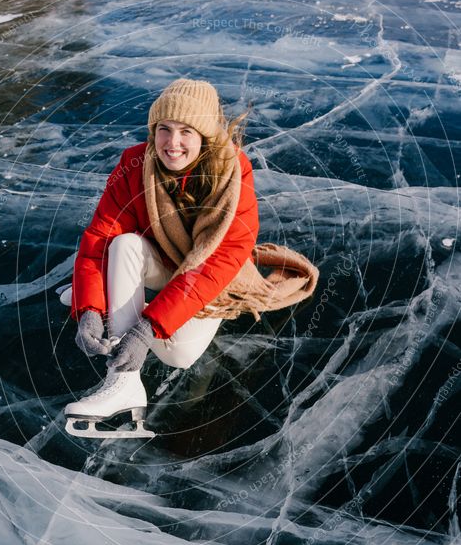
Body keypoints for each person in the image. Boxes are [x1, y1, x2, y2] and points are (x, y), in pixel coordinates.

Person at [63, 78, 319, 437]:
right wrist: (88, 308)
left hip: (206, 277)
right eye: (163, 129)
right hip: (164, 261)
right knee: (121, 246)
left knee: (176, 356)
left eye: (186, 130)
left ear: (206, 134)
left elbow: (214, 265)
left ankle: (127, 303)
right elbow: (98, 240)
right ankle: (123, 384)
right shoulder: (134, 163)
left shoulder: (233, 175)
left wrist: (148, 328)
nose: (172, 143)